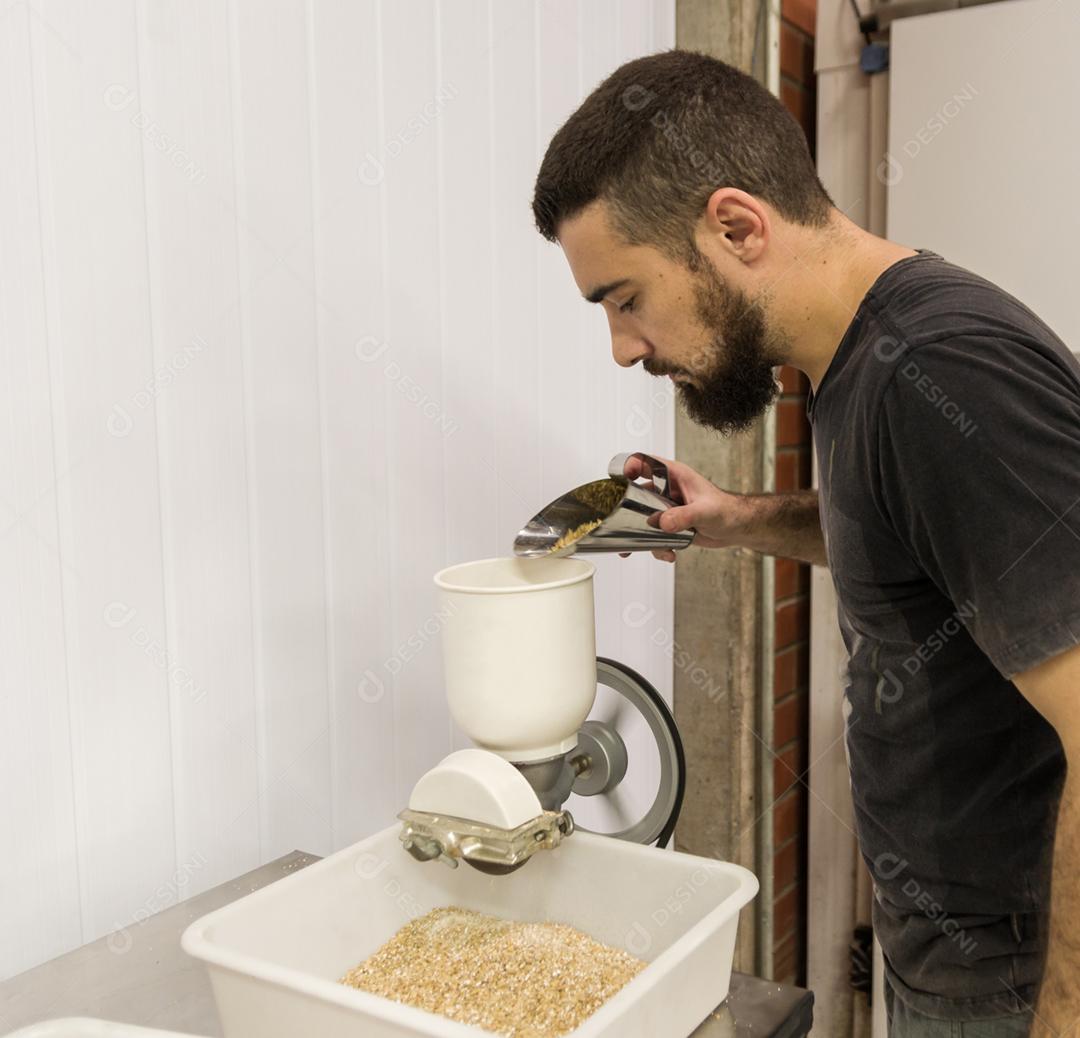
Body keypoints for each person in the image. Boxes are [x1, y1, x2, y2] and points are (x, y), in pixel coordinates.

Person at [532, 49, 1080, 1037]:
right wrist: (740, 520)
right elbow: (919, 540)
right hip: (951, 949)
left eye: (623, 298)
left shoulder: (941, 368)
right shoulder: (861, 362)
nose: (623, 347)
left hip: (1021, 971)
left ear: (735, 227)